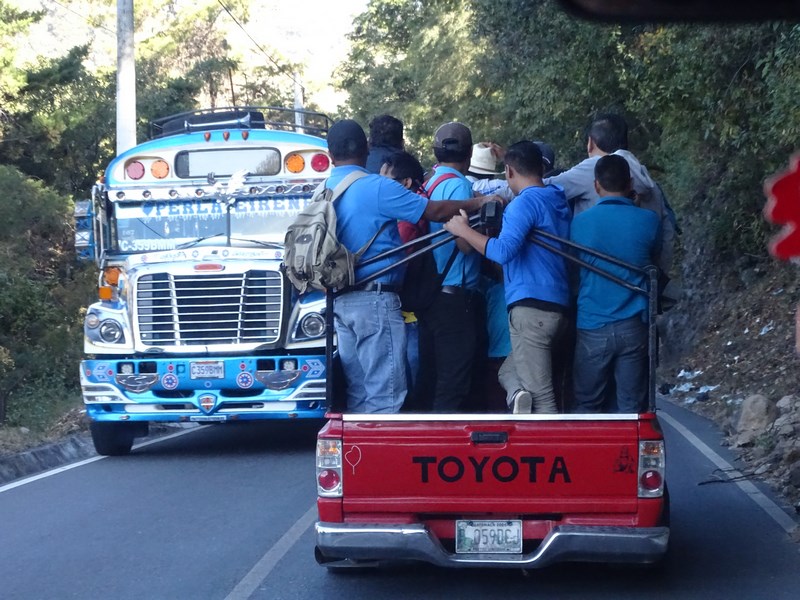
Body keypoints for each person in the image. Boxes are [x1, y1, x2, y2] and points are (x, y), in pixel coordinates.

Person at [326, 120, 493, 414]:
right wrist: (481, 202)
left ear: (329, 155)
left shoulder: (325, 190)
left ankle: (361, 457)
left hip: (339, 301)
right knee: (385, 396)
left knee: (359, 392)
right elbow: (434, 211)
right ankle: (383, 459)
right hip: (375, 300)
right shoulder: (375, 186)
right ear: (366, 148)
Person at [445, 140, 571, 414]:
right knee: (508, 372)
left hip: (531, 309)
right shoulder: (556, 198)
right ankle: (517, 395)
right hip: (558, 307)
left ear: (509, 172)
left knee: (544, 398)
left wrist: (463, 230)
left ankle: (548, 452)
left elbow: (503, 252)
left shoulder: (524, 204)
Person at [570, 154, 661, 414]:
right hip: (634, 325)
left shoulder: (579, 224)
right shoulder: (649, 221)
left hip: (592, 324)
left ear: (596, 185)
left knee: (588, 404)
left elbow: (575, 268)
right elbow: (654, 258)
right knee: (631, 407)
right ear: (630, 182)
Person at [544, 113, 676, 275]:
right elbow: (667, 236)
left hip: (597, 282)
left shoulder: (593, 168)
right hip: (643, 284)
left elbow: (538, 188)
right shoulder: (651, 183)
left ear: (590, 142)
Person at [417, 122, 487, 413]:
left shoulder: (429, 180)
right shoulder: (459, 185)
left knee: (432, 377)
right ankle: (443, 447)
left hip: (430, 292)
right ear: (469, 154)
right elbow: (464, 243)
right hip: (455, 294)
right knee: (453, 381)